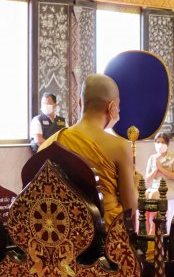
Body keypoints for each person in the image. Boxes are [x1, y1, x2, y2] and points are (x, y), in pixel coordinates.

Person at [40, 74, 136, 228]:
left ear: (80, 102)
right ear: (112, 107)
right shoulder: (120, 146)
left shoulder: (48, 145)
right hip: (103, 239)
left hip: (59, 235)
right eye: (118, 106)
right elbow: (130, 210)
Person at [144, 132, 174, 200]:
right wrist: (156, 169)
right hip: (155, 187)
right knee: (143, 195)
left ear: (167, 144)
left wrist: (161, 169)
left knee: (153, 196)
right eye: (158, 142)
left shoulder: (173, 157)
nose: (160, 144)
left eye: (163, 142)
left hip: (169, 187)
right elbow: (147, 180)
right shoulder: (152, 158)